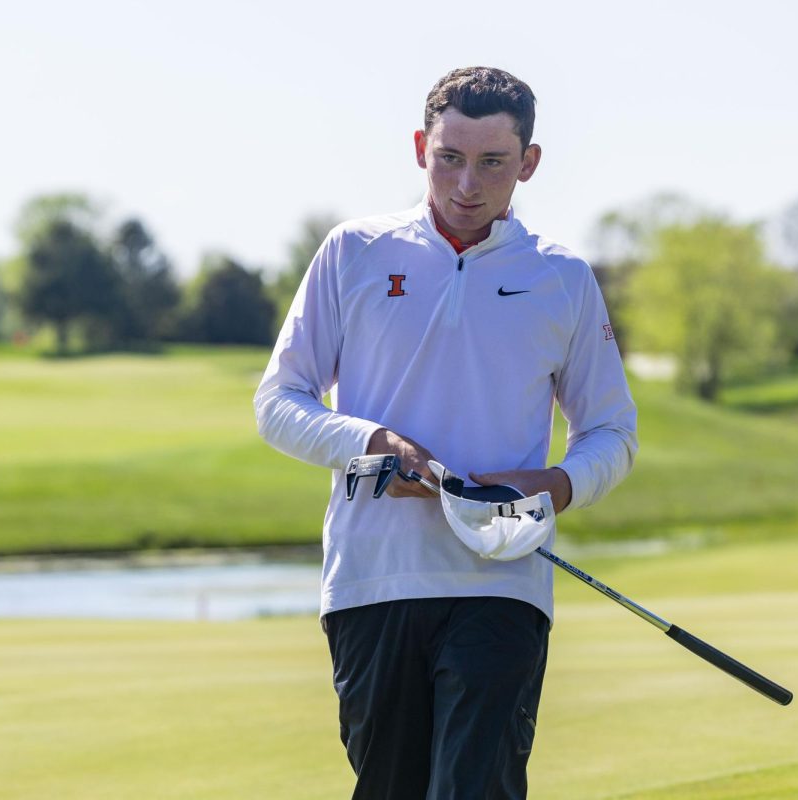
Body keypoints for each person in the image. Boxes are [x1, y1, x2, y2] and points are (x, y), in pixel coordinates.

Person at [254, 66, 637, 800]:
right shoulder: (354, 251)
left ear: (528, 163)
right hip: (373, 582)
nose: (467, 184)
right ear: (420, 147)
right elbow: (279, 402)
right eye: (449, 158)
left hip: (504, 579)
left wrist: (556, 485)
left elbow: (613, 431)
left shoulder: (562, 277)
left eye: (493, 162)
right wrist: (371, 442)